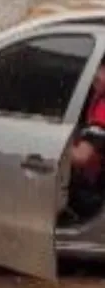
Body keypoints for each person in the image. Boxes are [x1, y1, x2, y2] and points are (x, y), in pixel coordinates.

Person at [68, 58, 105, 220]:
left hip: (97, 193)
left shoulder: (103, 109)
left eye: (102, 69)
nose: (95, 75)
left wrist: (50, 146)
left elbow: (81, 157)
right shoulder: (96, 99)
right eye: (96, 67)